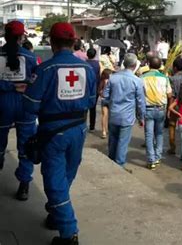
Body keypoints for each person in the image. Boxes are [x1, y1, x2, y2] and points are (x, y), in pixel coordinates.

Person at [23, 22, 97, 245]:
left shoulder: (44, 69)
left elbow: (30, 107)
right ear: (74, 42)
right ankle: (57, 212)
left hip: (53, 134)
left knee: (55, 181)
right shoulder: (88, 69)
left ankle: (69, 234)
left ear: (52, 43)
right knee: (66, 174)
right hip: (79, 130)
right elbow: (92, 101)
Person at [0, 21, 38, 201]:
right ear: (22, 36)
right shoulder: (30, 57)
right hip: (25, 105)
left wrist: (8, 86)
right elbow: (34, 81)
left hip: (2, 103)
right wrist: (20, 86)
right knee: (26, 146)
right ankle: (24, 185)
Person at [103, 53, 146, 168]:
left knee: (112, 141)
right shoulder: (137, 81)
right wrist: (141, 117)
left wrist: (110, 104)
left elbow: (105, 96)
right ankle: (119, 166)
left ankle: (111, 162)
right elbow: (141, 102)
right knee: (123, 143)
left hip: (114, 114)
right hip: (127, 117)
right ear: (135, 65)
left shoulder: (113, 77)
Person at [141, 56, 172, 170]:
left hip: (148, 108)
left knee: (149, 135)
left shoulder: (142, 77)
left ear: (148, 65)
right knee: (159, 133)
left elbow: (139, 95)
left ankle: (151, 160)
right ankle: (158, 157)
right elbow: (169, 94)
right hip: (160, 109)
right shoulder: (164, 78)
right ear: (160, 66)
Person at [86, 48, 100, 132]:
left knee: (84, 107)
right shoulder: (97, 64)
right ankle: (92, 127)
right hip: (94, 88)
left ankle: (82, 124)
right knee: (93, 108)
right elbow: (98, 76)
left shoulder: (84, 63)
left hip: (86, 88)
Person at [98, 69, 112, 139]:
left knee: (104, 115)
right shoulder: (111, 81)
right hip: (111, 100)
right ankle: (110, 130)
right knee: (110, 116)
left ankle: (103, 131)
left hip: (104, 100)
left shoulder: (102, 81)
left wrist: (102, 96)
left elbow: (99, 91)